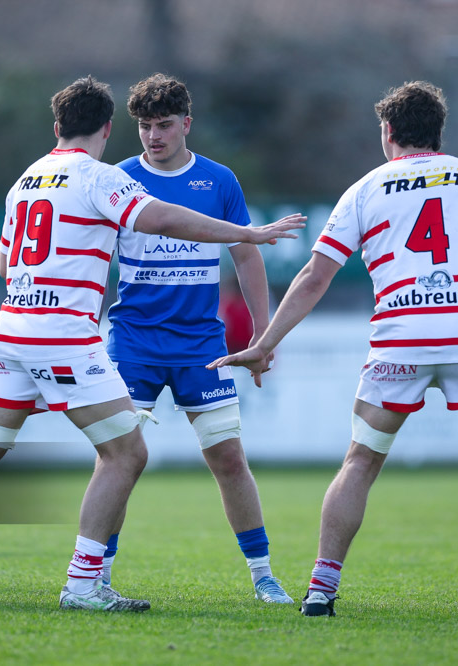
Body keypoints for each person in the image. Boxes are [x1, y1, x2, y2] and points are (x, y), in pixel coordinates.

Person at [0, 75, 305, 610]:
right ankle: (83, 584)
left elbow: (6, 263)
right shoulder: (101, 177)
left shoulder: (26, 178)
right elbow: (160, 217)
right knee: (126, 452)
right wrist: (246, 232)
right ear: (108, 128)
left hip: (13, 329)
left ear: (57, 125)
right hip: (63, 335)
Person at [211, 81, 458, 624]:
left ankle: (321, 591)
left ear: (388, 131)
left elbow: (315, 276)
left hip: (401, 340)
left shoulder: (365, 189)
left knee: (360, 462)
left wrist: (264, 344)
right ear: (438, 132)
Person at [103, 73, 293, 604]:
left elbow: (246, 254)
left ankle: (263, 576)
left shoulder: (218, 180)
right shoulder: (117, 179)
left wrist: (263, 333)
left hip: (200, 345)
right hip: (133, 342)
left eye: (164, 125)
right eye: (144, 126)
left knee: (228, 458)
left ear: (186, 123)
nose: (153, 136)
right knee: (117, 459)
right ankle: (97, 573)